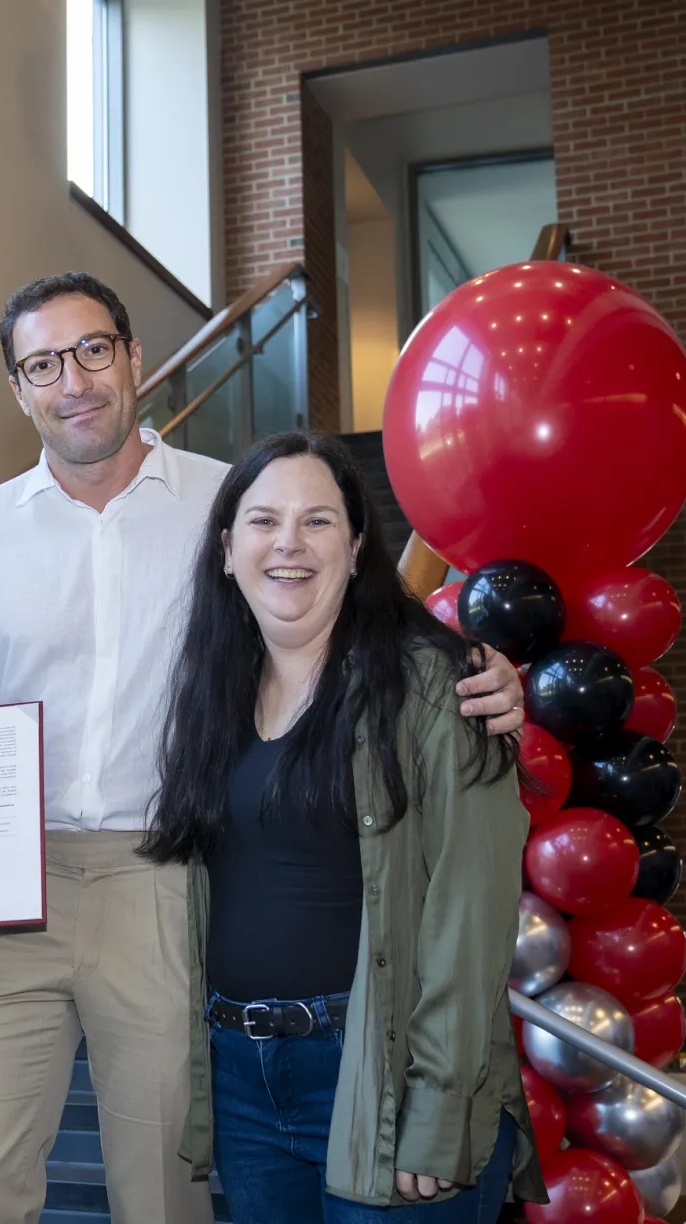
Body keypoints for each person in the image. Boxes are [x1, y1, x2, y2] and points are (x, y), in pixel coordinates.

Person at [0, 272, 527, 1224]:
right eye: (42, 363)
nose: (71, 380)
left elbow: (355, 616)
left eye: (90, 351)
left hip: (160, 871)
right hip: (12, 886)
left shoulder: (230, 505)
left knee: (163, 1193)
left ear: (131, 362)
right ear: (18, 388)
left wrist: (480, 671)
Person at [146, 431, 545, 1220]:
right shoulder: (210, 694)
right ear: (226, 550)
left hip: (381, 1073)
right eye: (262, 521)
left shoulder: (432, 683)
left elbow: (470, 915)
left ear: (358, 548)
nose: (287, 544)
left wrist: (434, 1108)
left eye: (317, 521)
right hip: (243, 1078)